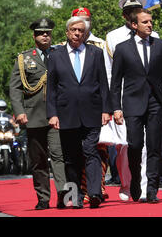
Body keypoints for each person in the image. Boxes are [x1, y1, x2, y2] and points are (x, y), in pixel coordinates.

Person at [110, 8, 162, 203]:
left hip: (156, 102)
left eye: (151, 21)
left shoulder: (161, 46)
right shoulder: (122, 49)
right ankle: (135, 181)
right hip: (132, 104)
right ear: (134, 25)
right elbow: (115, 82)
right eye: (145, 22)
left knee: (154, 146)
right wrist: (116, 107)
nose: (150, 24)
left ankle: (152, 190)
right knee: (135, 145)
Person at [46, 16, 112, 209]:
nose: (77, 33)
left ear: (85, 33)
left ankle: (94, 194)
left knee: (91, 151)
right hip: (66, 114)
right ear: (67, 32)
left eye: (81, 30)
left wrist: (106, 109)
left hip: (92, 112)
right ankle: (75, 196)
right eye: (73, 30)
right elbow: (51, 89)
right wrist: (53, 114)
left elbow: (103, 84)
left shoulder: (95, 53)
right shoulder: (55, 55)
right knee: (71, 157)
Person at [9, 18, 67, 210]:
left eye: (48, 32)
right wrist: (19, 112)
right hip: (33, 116)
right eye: (41, 33)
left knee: (59, 156)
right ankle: (43, 197)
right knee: (39, 160)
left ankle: (62, 193)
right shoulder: (24, 59)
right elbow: (16, 88)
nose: (45, 35)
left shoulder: (60, 54)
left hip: (57, 115)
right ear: (34, 36)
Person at [103, 0, 152, 201]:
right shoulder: (113, 37)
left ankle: (142, 186)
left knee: (146, 145)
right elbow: (109, 72)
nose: (135, 13)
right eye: (131, 11)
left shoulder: (152, 33)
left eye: (138, 9)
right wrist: (112, 104)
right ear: (125, 16)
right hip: (125, 97)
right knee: (126, 144)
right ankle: (126, 183)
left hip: (147, 97)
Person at [70, 7, 110, 203]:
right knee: (77, 151)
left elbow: (107, 79)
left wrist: (108, 107)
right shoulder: (62, 48)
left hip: (97, 105)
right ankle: (80, 190)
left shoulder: (101, 45)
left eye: (86, 20)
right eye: (78, 21)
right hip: (72, 110)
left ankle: (97, 188)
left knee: (98, 149)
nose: (82, 25)